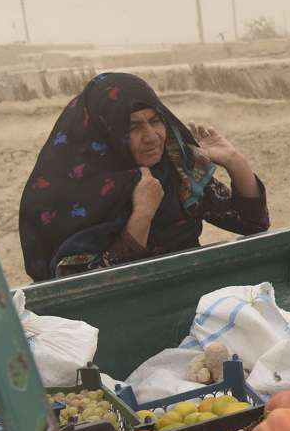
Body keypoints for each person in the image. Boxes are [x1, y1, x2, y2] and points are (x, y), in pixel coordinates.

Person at [18, 72, 269, 281]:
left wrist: (233, 160)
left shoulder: (175, 172)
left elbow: (251, 223)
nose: (151, 136)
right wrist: (142, 215)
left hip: (190, 296)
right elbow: (83, 285)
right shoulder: (73, 193)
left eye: (155, 121)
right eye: (133, 126)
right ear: (106, 132)